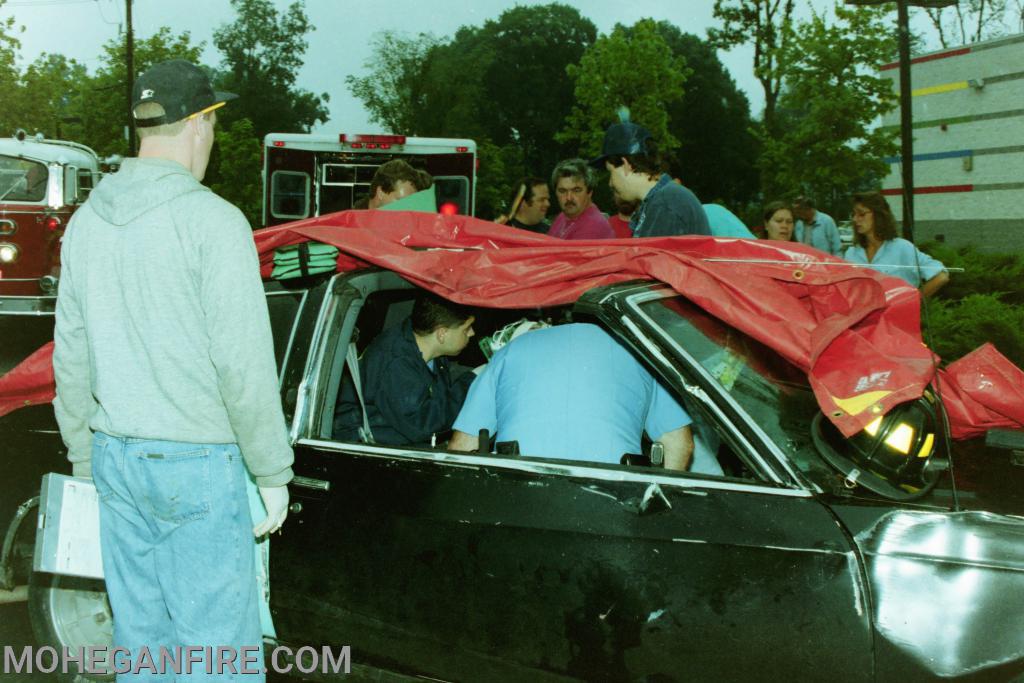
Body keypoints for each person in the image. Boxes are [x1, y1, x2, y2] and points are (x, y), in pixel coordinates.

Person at [52, 59, 293, 678]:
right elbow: (242, 365)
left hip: (114, 457)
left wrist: (84, 454)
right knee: (215, 656)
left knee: (142, 646)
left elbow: (70, 353)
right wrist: (272, 469)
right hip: (196, 465)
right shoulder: (212, 221)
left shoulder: (86, 224)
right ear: (200, 124)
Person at [448, 323, 695, 471]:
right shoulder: (639, 354)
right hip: (614, 489)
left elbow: (462, 447)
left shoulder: (512, 350)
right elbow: (679, 444)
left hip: (519, 486)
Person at [334, 294, 477, 446]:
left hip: (401, 434)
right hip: (365, 448)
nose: (472, 333)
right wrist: (472, 380)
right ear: (441, 334)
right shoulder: (396, 364)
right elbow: (424, 425)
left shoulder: (422, 343)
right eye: (466, 328)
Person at [593, 120, 710, 238]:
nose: (610, 183)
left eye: (610, 172)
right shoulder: (658, 202)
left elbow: (654, 256)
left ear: (626, 165)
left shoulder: (665, 204)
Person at [844, 191, 950, 296]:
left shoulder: (902, 248)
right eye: (853, 214)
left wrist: (912, 300)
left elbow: (941, 276)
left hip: (897, 313)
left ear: (879, 215)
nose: (855, 219)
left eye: (861, 214)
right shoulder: (851, 253)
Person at [548, 159, 615, 240]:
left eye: (576, 190)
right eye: (562, 191)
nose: (569, 198)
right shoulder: (562, 216)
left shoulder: (593, 226)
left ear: (589, 192)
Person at [355, 159, 431, 209]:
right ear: (380, 193)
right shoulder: (350, 225)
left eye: (410, 203)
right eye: (401, 201)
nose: (406, 209)